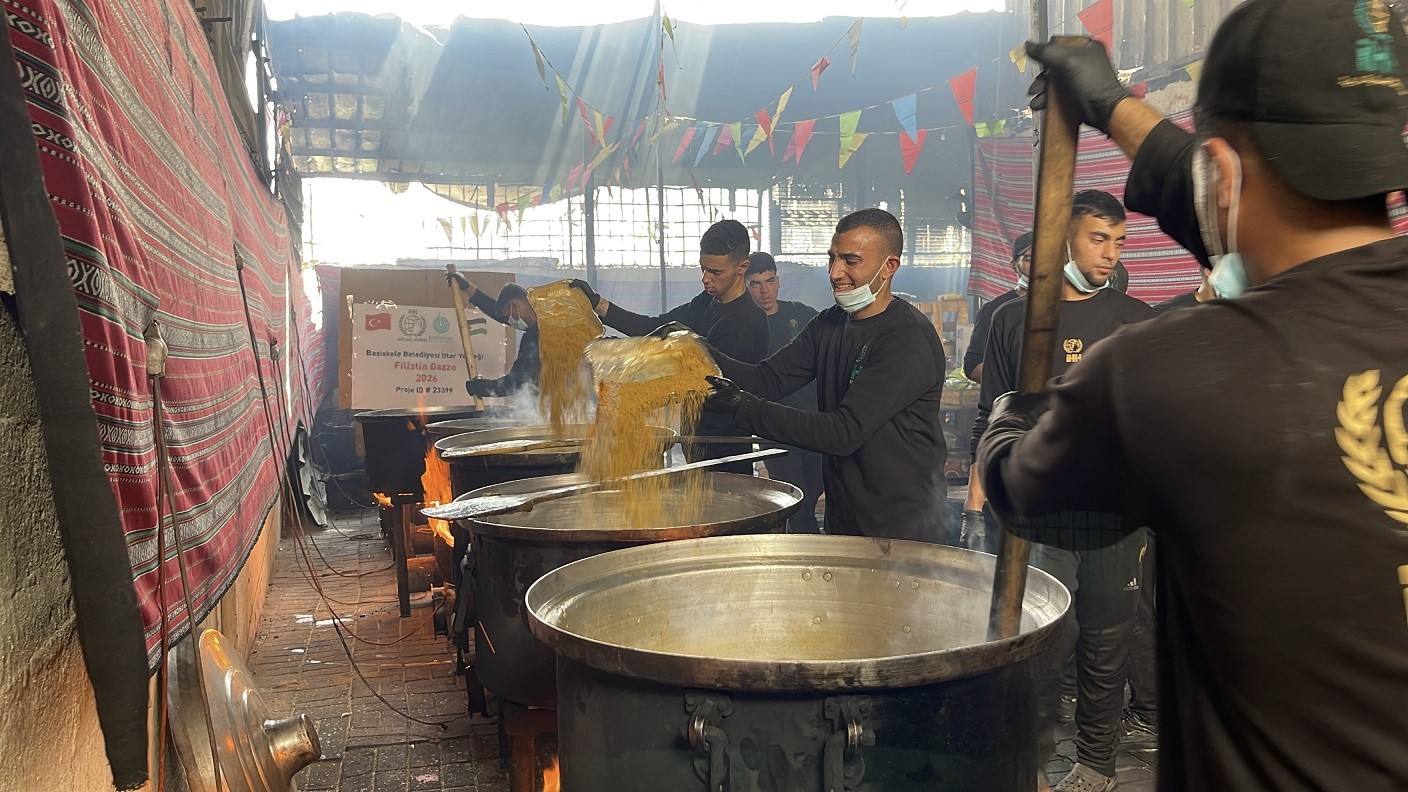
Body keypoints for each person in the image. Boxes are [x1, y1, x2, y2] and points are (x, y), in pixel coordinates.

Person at [980, 2, 1408, 789]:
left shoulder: (1175, 372)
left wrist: (1015, 414)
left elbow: (1026, 494)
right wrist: (1109, 103)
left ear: (1221, 169)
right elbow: (1223, 192)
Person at [969, 190, 1153, 792]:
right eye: (1099, 238)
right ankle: (1033, 764)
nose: (1110, 254)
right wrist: (982, 505)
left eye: (1119, 242)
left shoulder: (1135, 319)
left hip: (1112, 514)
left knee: (1106, 637)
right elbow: (992, 417)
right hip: (1039, 513)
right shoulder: (1009, 320)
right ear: (1062, 241)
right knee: (1040, 642)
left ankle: (1096, 765)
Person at [700, 209, 948, 541]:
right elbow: (767, 379)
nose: (835, 273)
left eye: (851, 261)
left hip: (902, 525)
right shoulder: (829, 323)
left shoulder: (904, 338)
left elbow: (843, 432)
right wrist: (697, 349)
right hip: (845, 517)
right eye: (832, 259)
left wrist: (740, 407)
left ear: (889, 266)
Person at [569, 219, 768, 473]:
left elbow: (698, 383)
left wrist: (622, 370)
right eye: (703, 269)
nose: (705, 279)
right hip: (697, 443)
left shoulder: (746, 322)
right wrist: (598, 303)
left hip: (724, 449)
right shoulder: (707, 302)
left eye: (715, 272)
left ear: (742, 268)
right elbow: (657, 325)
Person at [744, 252, 825, 533]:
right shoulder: (744, 326)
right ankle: (804, 546)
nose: (764, 290)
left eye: (769, 281)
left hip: (814, 419)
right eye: (755, 284)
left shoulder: (802, 315)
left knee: (816, 487)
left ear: (778, 281)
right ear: (744, 286)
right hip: (775, 425)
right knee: (794, 495)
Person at [445, 277, 540, 398]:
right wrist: (467, 287)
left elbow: (516, 382)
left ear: (514, 307)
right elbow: (497, 312)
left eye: (508, 317)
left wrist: (482, 387)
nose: (509, 321)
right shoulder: (545, 319)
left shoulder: (533, 339)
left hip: (558, 409)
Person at [964, 231, 1032, 383]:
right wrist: (1012, 383)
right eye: (1029, 259)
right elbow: (972, 365)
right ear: (1014, 265)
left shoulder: (1063, 305)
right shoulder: (995, 310)